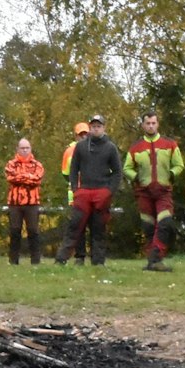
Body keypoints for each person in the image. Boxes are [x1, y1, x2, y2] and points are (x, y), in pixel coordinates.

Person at [57, 114, 125, 267]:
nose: (96, 128)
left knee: (98, 228)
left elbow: (117, 172)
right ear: (90, 127)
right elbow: (73, 170)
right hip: (84, 192)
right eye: (93, 126)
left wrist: (109, 191)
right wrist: (76, 189)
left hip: (102, 193)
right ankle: (62, 259)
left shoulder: (110, 147)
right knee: (75, 226)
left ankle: (98, 262)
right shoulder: (80, 147)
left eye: (98, 126)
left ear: (103, 128)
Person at [123, 113, 184, 272]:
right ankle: (153, 261)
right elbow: (126, 168)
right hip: (144, 192)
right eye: (148, 123)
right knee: (148, 227)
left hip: (164, 191)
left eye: (153, 123)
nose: (151, 126)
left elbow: (179, 165)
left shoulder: (169, 144)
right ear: (143, 125)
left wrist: (172, 174)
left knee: (165, 223)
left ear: (158, 124)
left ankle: (156, 258)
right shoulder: (136, 147)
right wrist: (135, 177)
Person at [4, 138, 45, 266]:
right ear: (17, 149)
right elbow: (11, 177)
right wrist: (28, 177)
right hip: (14, 203)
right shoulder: (11, 164)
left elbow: (37, 180)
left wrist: (21, 177)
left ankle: (35, 261)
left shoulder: (37, 165)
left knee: (33, 231)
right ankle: (13, 261)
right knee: (14, 231)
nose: (25, 150)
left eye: (27, 148)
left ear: (31, 149)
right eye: (22, 148)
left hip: (32, 203)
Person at [60, 122, 92, 264]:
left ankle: (96, 258)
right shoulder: (69, 151)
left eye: (86, 133)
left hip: (93, 192)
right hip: (76, 194)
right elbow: (65, 173)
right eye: (81, 134)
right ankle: (79, 257)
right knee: (78, 227)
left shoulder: (96, 147)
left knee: (95, 226)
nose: (84, 136)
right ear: (76, 135)